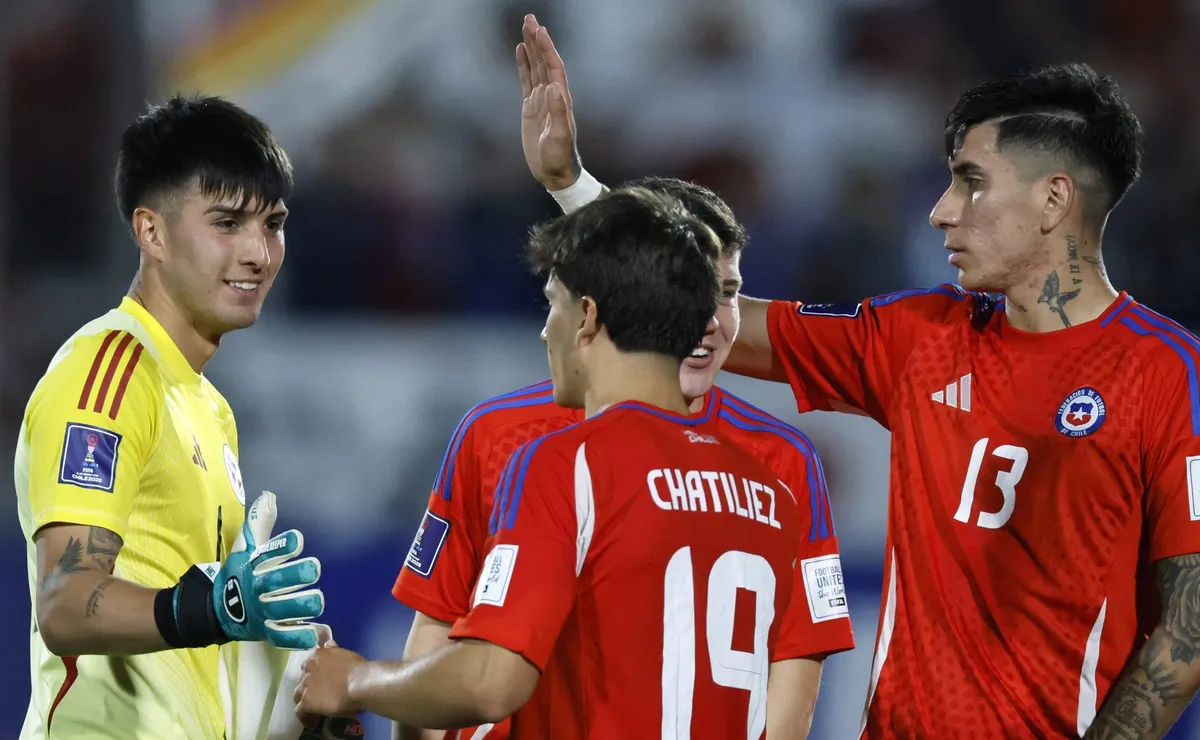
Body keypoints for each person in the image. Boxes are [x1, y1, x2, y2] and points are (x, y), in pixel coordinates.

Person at [517, 15, 1200, 738]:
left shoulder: (1165, 374)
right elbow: (694, 307)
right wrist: (573, 186)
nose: (941, 212)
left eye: (972, 184)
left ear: (1054, 201)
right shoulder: (919, 336)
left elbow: (1188, 629)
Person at [295, 187, 826, 738]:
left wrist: (355, 680)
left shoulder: (565, 463)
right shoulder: (768, 488)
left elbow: (490, 683)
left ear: (588, 316)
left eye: (553, 302)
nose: (545, 328)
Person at [15, 95, 328, 740]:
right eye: (226, 222)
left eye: (271, 224)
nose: (258, 254)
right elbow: (66, 602)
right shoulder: (106, 374)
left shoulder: (209, 407)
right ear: (150, 232)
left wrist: (289, 700)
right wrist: (214, 606)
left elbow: (199, 642)